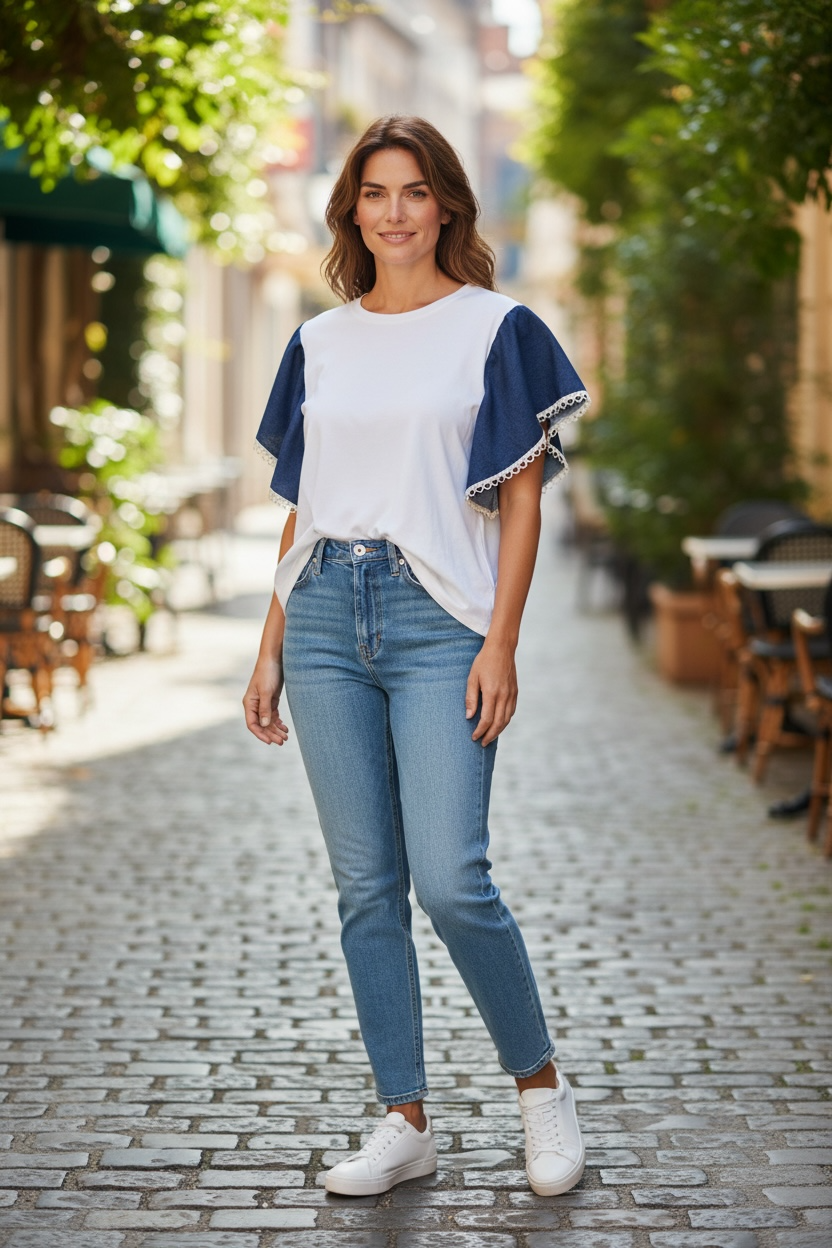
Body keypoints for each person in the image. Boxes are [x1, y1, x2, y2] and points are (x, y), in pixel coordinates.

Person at [243, 115, 590, 1199]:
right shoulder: (320, 340)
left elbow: (521, 502)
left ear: (446, 204)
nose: (393, 212)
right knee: (365, 887)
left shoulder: (499, 326)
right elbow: (302, 508)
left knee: (451, 878)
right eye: (373, 193)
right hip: (325, 617)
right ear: (350, 208)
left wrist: (502, 641)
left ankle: (540, 1090)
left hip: (442, 619)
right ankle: (404, 1118)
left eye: (413, 191)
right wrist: (270, 648)